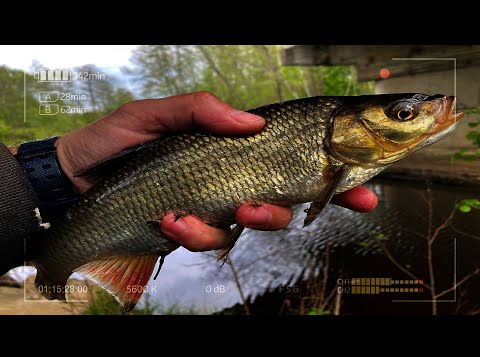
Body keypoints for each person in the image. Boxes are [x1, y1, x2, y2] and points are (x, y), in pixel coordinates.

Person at [0, 91, 377, 275]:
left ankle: (51, 261)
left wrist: (49, 173)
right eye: (404, 114)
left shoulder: (345, 158)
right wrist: (58, 171)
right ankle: (51, 263)